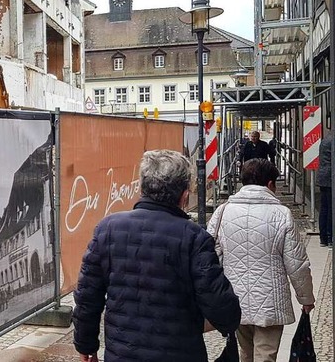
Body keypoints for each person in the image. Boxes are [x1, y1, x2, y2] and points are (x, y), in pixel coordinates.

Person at [73, 150, 241, 362]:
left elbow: (88, 296)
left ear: (142, 188)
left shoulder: (107, 229)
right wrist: (230, 322)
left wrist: (85, 344)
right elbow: (220, 306)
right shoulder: (194, 238)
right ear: (184, 195)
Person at [208, 158, 315, 362]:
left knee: (245, 354)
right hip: (270, 304)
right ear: (270, 184)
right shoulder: (281, 214)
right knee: (266, 355)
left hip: (235, 300)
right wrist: (306, 298)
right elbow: (297, 264)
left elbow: (210, 256)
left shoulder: (222, 212)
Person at [317, 130, 332, 247]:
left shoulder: (326, 139)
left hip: (323, 177)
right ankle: (330, 237)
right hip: (331, 178)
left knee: (324, 208)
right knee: (331, 208)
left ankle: (324, 238)